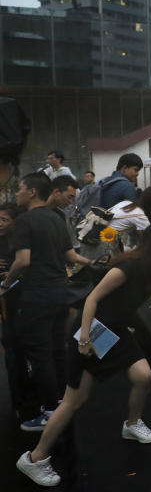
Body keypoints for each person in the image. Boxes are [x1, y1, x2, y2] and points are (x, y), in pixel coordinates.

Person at [15, 222, 151, 487]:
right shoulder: (127, 267)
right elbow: (92, 299)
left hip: (116, 332)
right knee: (75, 400)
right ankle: (34, 458)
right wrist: (84, 338)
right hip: (94, 332)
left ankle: (132, 424)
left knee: (143, 376)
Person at [0, 173, 92, 433]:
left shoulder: (25, 221)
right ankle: (62, 402)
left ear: (31, 192)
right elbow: (70, 255)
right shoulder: (57, 217)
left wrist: (5, 285)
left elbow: (23, 261)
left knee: (40, 356)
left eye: (19, 189)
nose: (16, 193)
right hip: (60, 293)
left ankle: (50, 411)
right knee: (57, 351)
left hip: (36, 296)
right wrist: (92, 262)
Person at [0, 202, 31, 420]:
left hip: (27, 301)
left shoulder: (24, 241)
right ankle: (19, 402)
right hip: (7, 305)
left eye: (4, 219)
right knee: (12, 348)